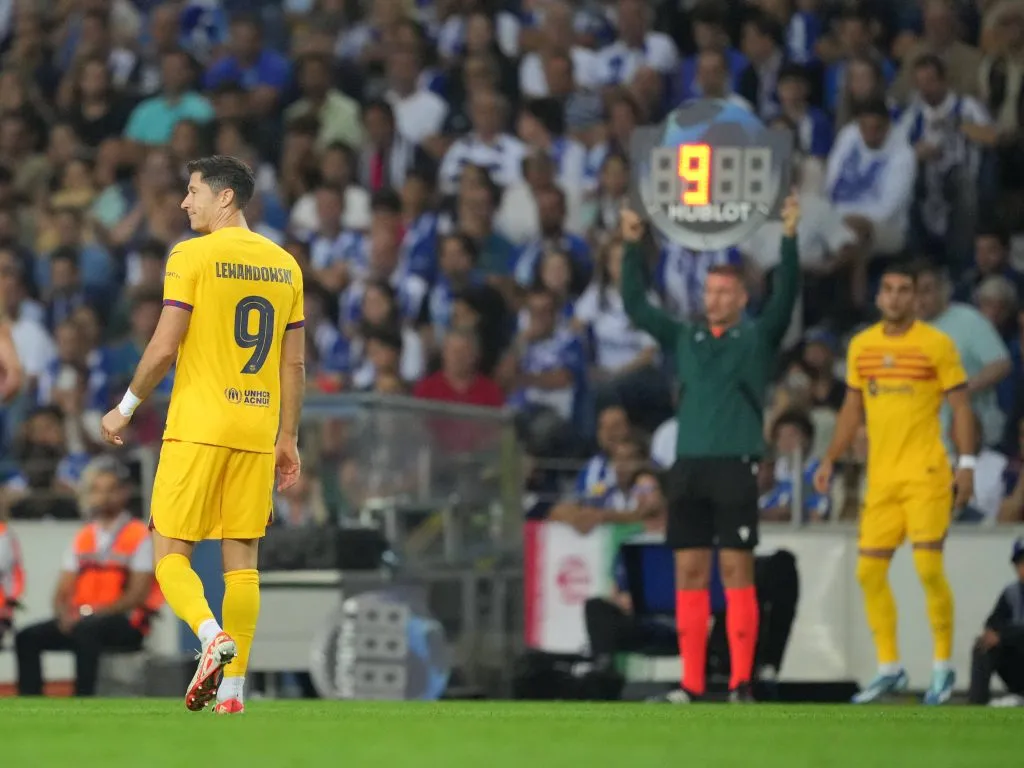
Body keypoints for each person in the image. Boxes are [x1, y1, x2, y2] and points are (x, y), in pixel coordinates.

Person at [99, 155, 306, 715]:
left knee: (168, 551)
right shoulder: (285, 264)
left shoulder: (191, 255)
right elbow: (293, 366)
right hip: (258, 427)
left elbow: (165, 346)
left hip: (198, 425)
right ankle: (235, 693)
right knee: (243, 561)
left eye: (193, 192)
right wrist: (288, 436)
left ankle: (209, 635)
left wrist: (125, 407)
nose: (185, 203)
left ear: (226, 199)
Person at [619, 194, 802, 703]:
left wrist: (789, 237)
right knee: (689, 571)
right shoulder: (684, 336)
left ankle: (741, 681)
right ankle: (693, 684)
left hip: (736, 464)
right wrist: (632, 245)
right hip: (690, 467)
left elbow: (786, 295)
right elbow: (636, 305)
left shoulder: (758, 337)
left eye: (725, 292)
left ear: (742, 298)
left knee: (736, 570)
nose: (714, 299)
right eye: (710, 290)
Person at [814, 262, 975, 705]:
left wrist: (967, 465)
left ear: (917, 298)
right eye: (889, 289)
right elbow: (851, 409)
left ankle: (942, 667)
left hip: (926, 473)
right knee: (868, 571)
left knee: (927, 568)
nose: (896, 297)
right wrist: (830, 458)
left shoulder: (937, 345)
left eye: (905, 290)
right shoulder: (861, 346)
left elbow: (961, 408)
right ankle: (890, 667)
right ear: (879, 297)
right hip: (881, 478)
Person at [15, 458, 163, 696]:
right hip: (82, 619)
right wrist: (63, 615)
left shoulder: (138, 535)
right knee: (27, 637)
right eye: (98, 490)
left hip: (124, 622)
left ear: (124, 493)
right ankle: (30, 700)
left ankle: (83, 696)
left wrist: (93, 613)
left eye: (111, 490)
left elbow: (137, 594)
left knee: (87, 631)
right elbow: (62, 589)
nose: (104, 497)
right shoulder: (84, 536)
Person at [968, 537, 1024, 706]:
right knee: (983, 645)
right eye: (1021, 562)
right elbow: (993, 622)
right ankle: (976, 706)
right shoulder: (1011, 593)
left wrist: (1002, 636)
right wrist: (991, 634)